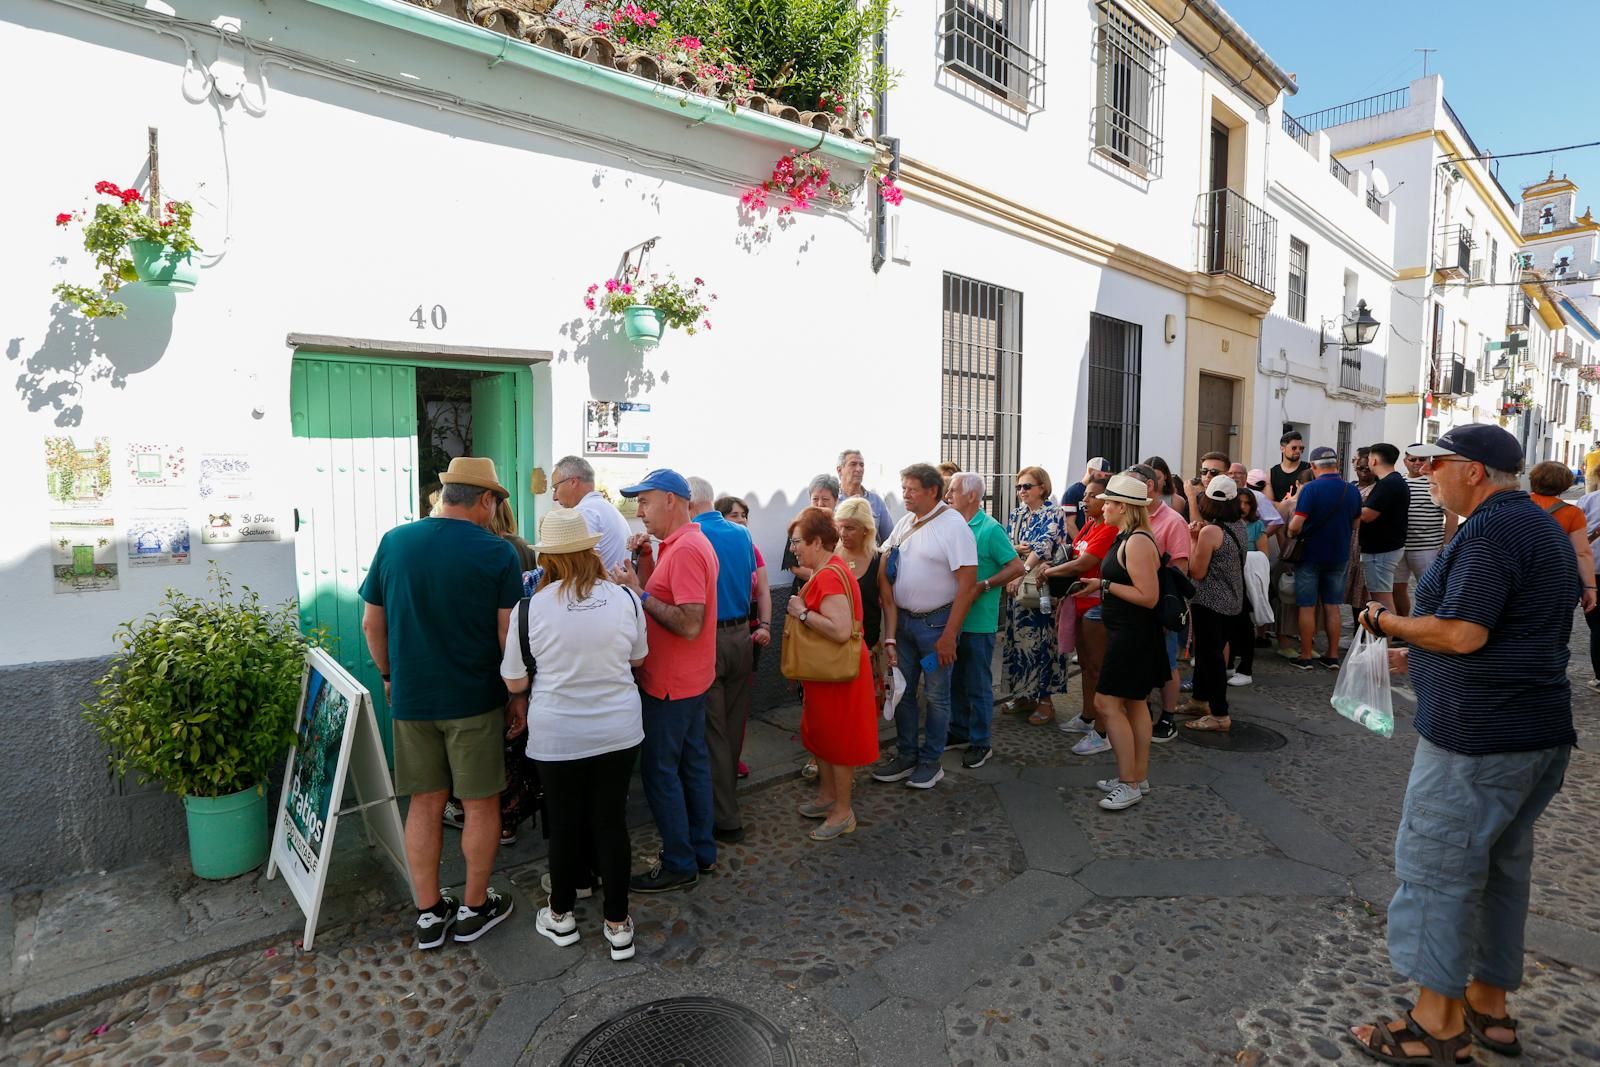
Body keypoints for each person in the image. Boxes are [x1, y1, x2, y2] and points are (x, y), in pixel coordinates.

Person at [1349, 424, 1575, 1066]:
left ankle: (1432, 1027)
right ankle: (1488, 1002)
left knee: (1437, 874)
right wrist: (1413, 651)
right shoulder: (1535, 524)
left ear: (1473, 470)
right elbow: (1503, 630)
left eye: (1433, 462)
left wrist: (1385, 619)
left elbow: (1466, 633)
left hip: (1478, 740)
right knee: (1501, 872)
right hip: (1532, 733)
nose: (1423, 473)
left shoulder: (1490, 529)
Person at [359, 457, 522, 948]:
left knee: (425, 803)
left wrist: (389, 676)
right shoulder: (498, 553)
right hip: (474, 698)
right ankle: (474, 908)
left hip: (414, 699)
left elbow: (372, 624)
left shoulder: (395, 541)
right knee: (479, 803)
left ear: (447, 494)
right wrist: (519, 695)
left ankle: (429, 915)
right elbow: (506, 634)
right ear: (486, 500)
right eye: (496, 502)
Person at [502, 508, 646, 961]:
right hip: (619, 728)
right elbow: (638, 659)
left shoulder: (530, 610)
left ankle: (561, 915)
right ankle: (618, 925)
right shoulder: (626, 599)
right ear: (589, 550)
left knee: (564, 824)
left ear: (549, 558)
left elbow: (514, 681)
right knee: (610, 821)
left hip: (557, 732)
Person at [609, 469, 719, 894]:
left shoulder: (689, 548)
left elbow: (689, 623)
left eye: (645, 501)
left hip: (672, 685)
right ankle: (701, 853)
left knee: (661, 772)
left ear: (671, 500)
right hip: (688, 680)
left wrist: (638, 592)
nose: (639, 511)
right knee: (692, 766)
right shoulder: (678, 545)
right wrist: (647, 566)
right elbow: (673, 597)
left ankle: (678, 861)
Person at [872, 463, 978, 790]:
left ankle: (931, 762)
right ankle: (906, 754)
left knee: (936, 696)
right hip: (902, 624)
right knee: (902, 691)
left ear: (932, 491)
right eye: (903, 488)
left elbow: (968, 584)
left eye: (911, 489)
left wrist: (949, 636)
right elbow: (886, 556)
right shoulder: (906, 521)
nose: (905, 494)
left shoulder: (954, 526)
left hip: (936, 626)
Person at [786, 506, 880, 840]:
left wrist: (801, 614)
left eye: (797, 541)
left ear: (815, 541)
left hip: (838, 675)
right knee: (823, 736)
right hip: (828, 674)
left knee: (839, 742)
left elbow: (840, 631)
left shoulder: (827, 575)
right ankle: (828, 798)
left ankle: (843, 812)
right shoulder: (831, 568)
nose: (793, 548)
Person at [1088, 474, 1167, 811]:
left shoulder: (1136, 541)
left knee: (1107, 704)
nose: (1103, 506)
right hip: (1130, 633)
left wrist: (1104, 586)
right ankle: (1137, 774)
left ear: (1123, 507)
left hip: (1132, 636)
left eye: (1108, 502)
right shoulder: (1129, 537)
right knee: (1135, 704)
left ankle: (1129, 783)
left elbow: (1149, 596)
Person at [689, 478, 758, 846]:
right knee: (731, 728)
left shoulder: (692, 537)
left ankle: (726, 817)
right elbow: (748, 578)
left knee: (713, 732)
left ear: (689, 503)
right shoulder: (741, 534)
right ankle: (725, 801)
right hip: (740, 635)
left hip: (709, 639)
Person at [945, 473, 1024, 768]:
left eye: (953, 490)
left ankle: (981, 742)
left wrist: (986, 585)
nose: (947, 495)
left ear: (972, 496)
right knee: (954, 680)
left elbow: (1016, 566)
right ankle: (959, 730)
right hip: (951, 620)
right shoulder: (950, 526)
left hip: (978, 622)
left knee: (978, 684)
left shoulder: (990, 529)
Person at [1001, 466, 1071, 725]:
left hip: (1041, 587)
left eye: (1027, 486)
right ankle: (1023, 694)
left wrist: (1022, 567)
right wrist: (1017, 553)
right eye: (1019, 487)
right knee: (1018, 641)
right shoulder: (1017, 513)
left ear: (1042, 487)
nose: (1021, 491)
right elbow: (1007, 543)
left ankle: (1045, 700)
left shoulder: (1053, 512)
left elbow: (1043, 547)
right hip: (1016, 587)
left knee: (1042, 643)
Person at [1048, 473, 1116, 741]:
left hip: (1095, 607)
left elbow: (1083, 563)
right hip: (1078, 603)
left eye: (1090, 496)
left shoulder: (1109, 528)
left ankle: (1102, 728)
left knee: (1098, 667)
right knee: (1086, 666)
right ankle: (1088, 715)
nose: (1083, 499)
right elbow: (1073, 552)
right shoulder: (1089, 525)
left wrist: (1050, 573)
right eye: (1084, 495)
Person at [1131, 463, 1193, 741]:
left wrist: (1164, 608)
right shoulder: (1134, 516)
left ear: (1149, 487)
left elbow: (1179, 570)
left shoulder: (1172, 521)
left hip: (1158, 606)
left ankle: (1168, 718)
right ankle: (1140, 710)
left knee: (1167, 664)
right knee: (1141, 662)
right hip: (1134, 606)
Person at [1286, 447, 1363, 670]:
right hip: (1339, 554)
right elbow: (1357, 524)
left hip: (1310, 554)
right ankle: (1331, 656)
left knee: (1307, 606)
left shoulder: (1311, 489)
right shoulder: (1351, 490)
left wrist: (1291, 532)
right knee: (1333, 606)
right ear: (1337, 464)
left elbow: (1297, 525)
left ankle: (1306, 655)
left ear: (1313, 466)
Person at [715, 495, 773, 776]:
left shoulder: (752, 548)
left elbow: (763, 590)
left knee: (739, 703)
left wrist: (765, 626)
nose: (741, 520)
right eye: (734, 515)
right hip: (719, 631)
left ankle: (732, 758)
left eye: (744, 515)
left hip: (749, 629)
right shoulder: (710, 546)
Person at [1183, 476, 1246, 733]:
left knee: (1210, 657)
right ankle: (1199, 700)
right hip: (1232, 600)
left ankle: (1219, 714)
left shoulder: (1210, 531)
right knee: (1210, 653)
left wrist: (1193, 539)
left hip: (1209, 602)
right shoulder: (1239, 525)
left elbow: (1196, 571)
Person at [1527, 461, 1598, 616]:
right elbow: (1581, 553)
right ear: (1565, 485)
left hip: (1518, 575)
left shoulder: (1512, 503)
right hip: (1554, 580)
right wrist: (1590, 588)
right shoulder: (1572, 513)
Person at [1395, 448, 1459, 618]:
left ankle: (1429, 625)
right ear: (1405, 461)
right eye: (1412, 459)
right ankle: (1403, 627)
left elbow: (1451, 515)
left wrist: (1446, 544)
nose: (1417, 463)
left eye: (1421, 459)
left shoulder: (1435, 483)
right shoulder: (1399, 482)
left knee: (1429, 589)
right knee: (1397, 589)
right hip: (1399, 546)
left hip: (1427, 547)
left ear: (1428, 461)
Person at [551, 455, 632, 569]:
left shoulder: (584, 512)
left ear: (573, 482)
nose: (554, 497)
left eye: (555, 488)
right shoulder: (604, 507)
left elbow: (589, 570)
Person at [1358, 443, 1410, 615]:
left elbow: (1367, 515)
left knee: (1382, 599)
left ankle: (1383, 641)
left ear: (1374, 460)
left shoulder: (1388, 484)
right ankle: (1383, 639)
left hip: (1381, 550)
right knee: (1381, 596)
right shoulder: (1393, 481)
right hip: (1386, 547)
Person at [784, 474, 842, 584]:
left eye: (825, 499)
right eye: (815, 499)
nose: (820, 504)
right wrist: (823, 578)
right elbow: (793, 566)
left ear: (836, 500)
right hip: (805, 587)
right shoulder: (799, 524)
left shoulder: (841, 528)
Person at [1343, 448, 1377, 625]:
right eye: (1359, 468)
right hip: (1349, 542)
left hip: (1366, 542)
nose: (1363, 472)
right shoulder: (1351, 487)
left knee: (1364, 589)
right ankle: (1357, 625)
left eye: (1366, 468)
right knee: (1352, 587)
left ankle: (1364, 629)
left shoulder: (1378, 489)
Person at [837, 449, 894, 543]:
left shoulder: (876, 501)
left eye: (861, 465)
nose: (859, 469)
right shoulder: (832, 500)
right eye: (853, 464)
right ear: (839, 470)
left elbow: (889, 540)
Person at [1061, 458, 1111, 529]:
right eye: (1099, 475)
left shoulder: (1106, 489)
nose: (1103, 478)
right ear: (1090, 471)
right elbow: (1069, 523)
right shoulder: (1072, 492)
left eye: (1106, 476)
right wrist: (1082, 540)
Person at [1267, 430, 1310, 504]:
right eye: (1294, 448)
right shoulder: (1271, 473)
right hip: (1279, 514)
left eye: (1301, 448)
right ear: (1282, 448)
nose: (1298, 451)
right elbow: (1269, 503)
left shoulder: (1308, 469)